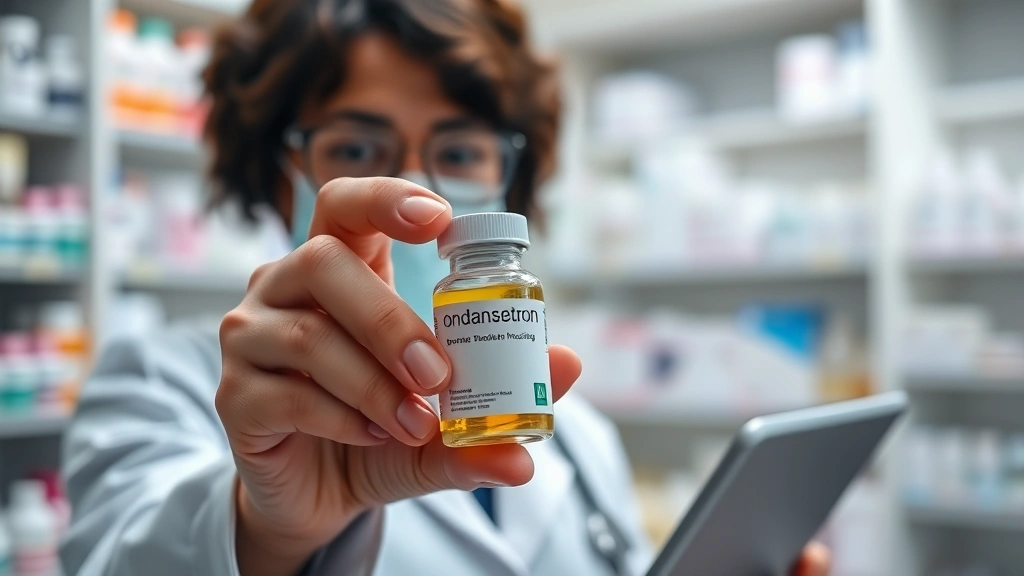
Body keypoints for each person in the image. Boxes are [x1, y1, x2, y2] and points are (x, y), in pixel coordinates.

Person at [60, 1, 832, 575]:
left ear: (510, 180)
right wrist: (265, 528)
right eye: (358, 146)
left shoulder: (580, 433)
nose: (413, 187)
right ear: (276, 172)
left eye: (460, 150)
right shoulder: (160, 382)